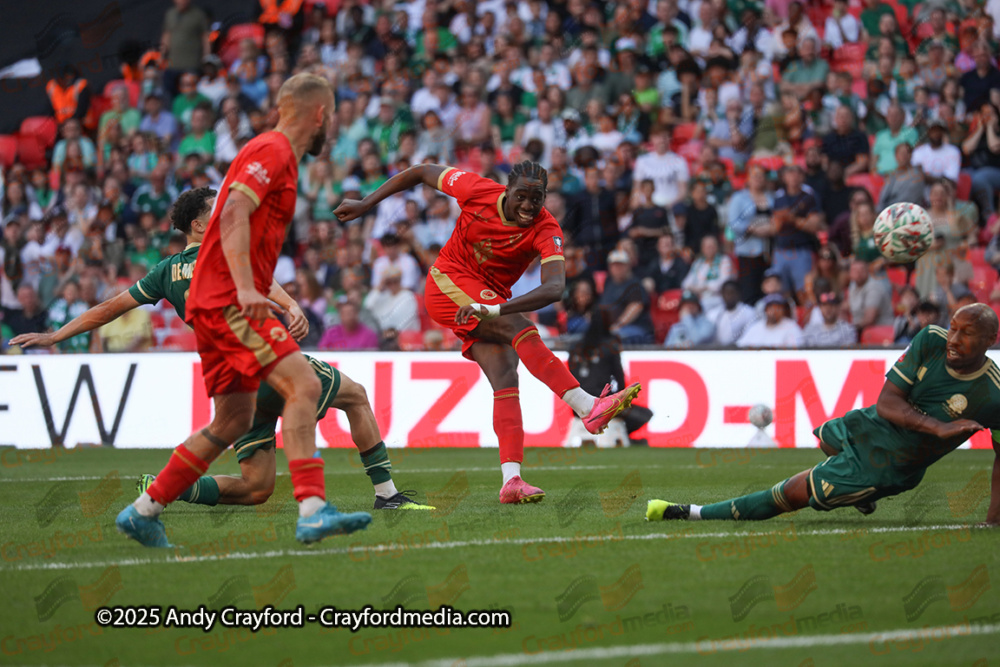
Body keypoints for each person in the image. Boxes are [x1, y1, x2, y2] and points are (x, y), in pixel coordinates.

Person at [12, 188, 430, 513]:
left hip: (232, 382)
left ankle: (168, 489)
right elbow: (260, 282)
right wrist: (290, 305)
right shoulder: (226, 250)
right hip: (266, 358)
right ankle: (385, 495)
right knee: (354, 395)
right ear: (198, 225)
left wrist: (53, 337)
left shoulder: (164, 272)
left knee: (256, 488)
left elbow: (107, 308)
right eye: (217, 207)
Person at [112, 74, 373, 548]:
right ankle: (313, 508)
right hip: (228, 299)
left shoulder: (278, 159)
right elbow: (231, 213)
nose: (329, 129)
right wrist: (248, 288)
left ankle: (143, 510)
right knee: (305, 384)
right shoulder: (272, 150)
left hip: (212, 305)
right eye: (330, 119)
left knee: (231, 420)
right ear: (319, 114)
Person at [335, 161, 642, 503]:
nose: (528, 205)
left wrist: (495, 307)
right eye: (521, 196)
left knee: (506, 375)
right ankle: (586, 406)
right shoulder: (475, 190)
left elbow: (555, 288)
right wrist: (366, 203)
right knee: (521, 329)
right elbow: (421, 171)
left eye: (536, 198)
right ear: (507, 191)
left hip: (487, 300)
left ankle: (511, 480)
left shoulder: (546, 228)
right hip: (446, 284)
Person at [647, 305, 1000, 527]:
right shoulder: (931, 340)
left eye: (966, 334)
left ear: (990, 339)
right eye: (953, 327)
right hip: (876, 425)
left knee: (789, 493)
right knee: (826, 437)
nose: (953, 338)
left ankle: (690, 512)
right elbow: (887, 403)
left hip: (889, 463)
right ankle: (863, 497)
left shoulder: (992, 395)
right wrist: (938, 427)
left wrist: (993, 521)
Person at [568, 307, 653, 440]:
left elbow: (570, 377)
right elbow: (619, 378)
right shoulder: (610, 345)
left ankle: (613, 437)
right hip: (602, 406)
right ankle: (621, 438)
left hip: (577, 408)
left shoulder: (575, 347)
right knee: (646, 414)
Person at [601, 249, 655, 345]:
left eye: (621, 264)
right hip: (611, 328)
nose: (617, 268)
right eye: (614, 265)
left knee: (614, 338)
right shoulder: (609, 284)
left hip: (635, 328)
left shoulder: (635, 284)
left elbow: (635, 307)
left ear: (628, 266)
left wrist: (618, 325)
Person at [682, 235, 733, 318]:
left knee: (700, 307)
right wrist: (694, 289)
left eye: (712, 246)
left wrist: (705, 287)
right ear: (702, 249)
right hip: (697, 298)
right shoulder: (698, 263)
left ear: (716, 247)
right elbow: (685, 283)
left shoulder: (724, 260)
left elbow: (724, 282)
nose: (709, 249)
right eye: (707, 247)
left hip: (715, 299)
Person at [736, 293, 803, 348]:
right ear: (765, 310)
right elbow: (740, 346)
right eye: (771, 308)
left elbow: (796, 353)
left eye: (778, 308)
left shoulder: (791, 326)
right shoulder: (756, 327)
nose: (774, 311)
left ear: (783, 311)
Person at [848, 257, 894, 336]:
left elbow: (869, 319)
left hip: (880, 331)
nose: (858, 273)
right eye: (855, 270)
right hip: (861, 330)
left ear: (868, 271)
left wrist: (849, 329)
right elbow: (848, 305)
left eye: (861, 270)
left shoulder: (874, 288)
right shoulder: (853, 285)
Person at [912, 119, 962, 185]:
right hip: (920, 191)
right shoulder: (919, 151)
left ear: (943, 132)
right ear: (928, 132)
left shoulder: (953, 151)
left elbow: (949, 181)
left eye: (939, 130)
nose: (936, 133)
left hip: (944, 191)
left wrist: (924, 177)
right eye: (933, 130)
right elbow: (913, 177)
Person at [713, 280, 758, 347]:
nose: (729, 296)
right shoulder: (714, 313)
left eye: (732, 293)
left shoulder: (749, 312)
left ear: (739, 294)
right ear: (722, 294)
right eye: (726, 293)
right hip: (718, 351)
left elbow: (751, 336)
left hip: (741, 351)